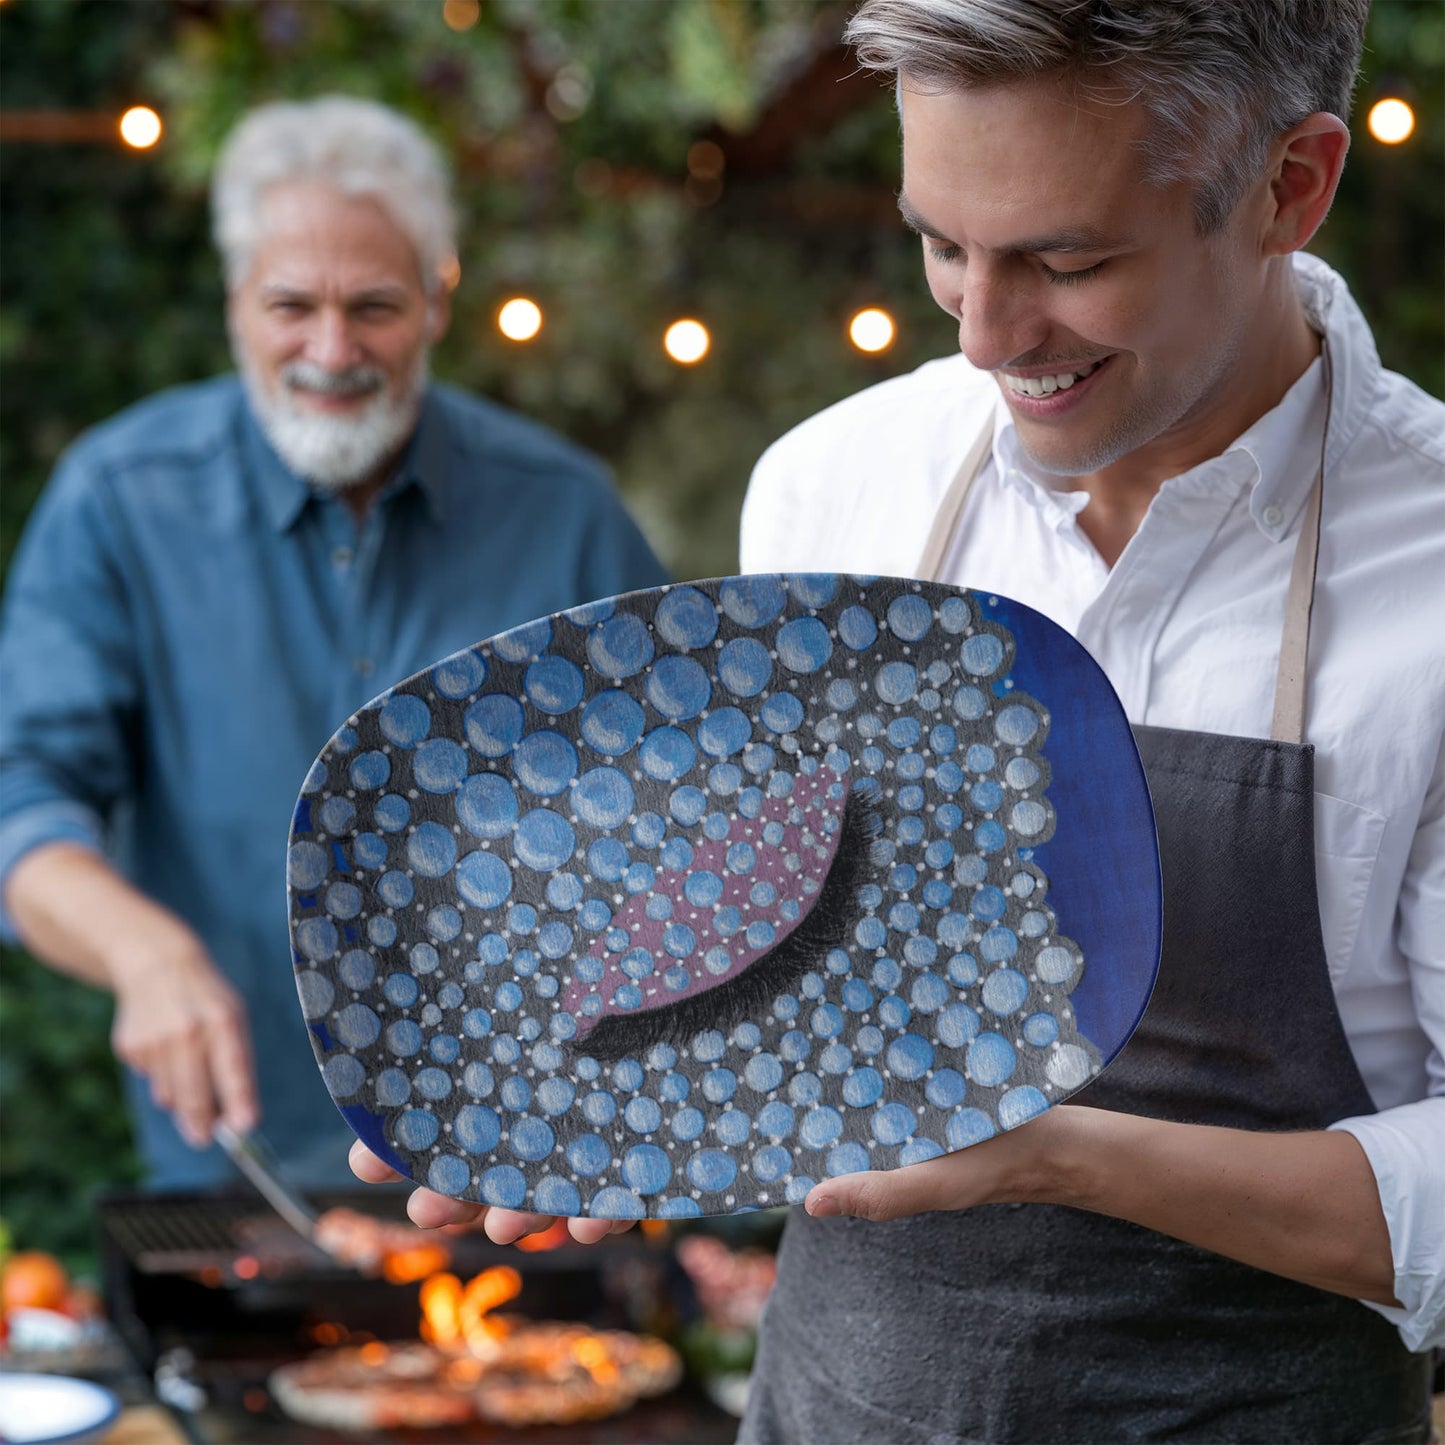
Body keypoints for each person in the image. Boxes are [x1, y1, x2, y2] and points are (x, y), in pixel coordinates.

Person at [350, 1, 1444, 1439]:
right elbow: (786, 980)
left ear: (1290, 187)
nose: (988, 335)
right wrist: (628, 1094)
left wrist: (1056, 1157)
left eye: (1068, 260)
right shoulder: (836, 485)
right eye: (940, 243)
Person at [0, 96, 668, 1191]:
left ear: (439, 299)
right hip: (234, 1174)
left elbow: (685, 813)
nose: (331, 348)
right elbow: (23, 803)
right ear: (233, 303)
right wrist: (142, 950)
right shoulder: (119, 499)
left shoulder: (566, 513)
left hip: (524, 1171)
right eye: (289, 305)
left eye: (373, 306)